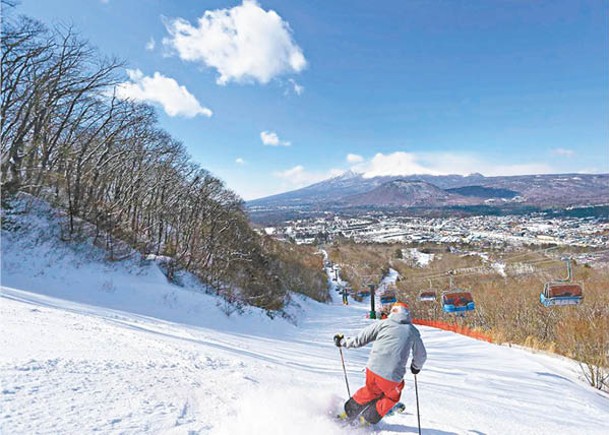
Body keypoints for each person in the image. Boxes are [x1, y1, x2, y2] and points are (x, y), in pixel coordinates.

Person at [333, 301, 427, 425]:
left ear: (392, 312)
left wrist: (342, 342)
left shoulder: (382, 324)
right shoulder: (412, 331)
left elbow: (359, 339)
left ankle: (348, 411)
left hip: (373, 370)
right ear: (408, 314)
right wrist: (415, 367)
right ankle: (367, 418)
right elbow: (421, 355)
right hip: (392, 377)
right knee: (392, 396)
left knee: (370, 391)